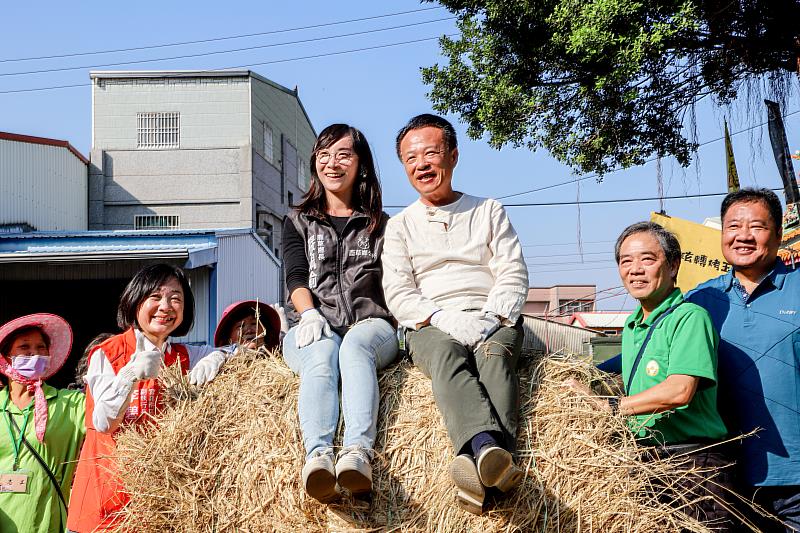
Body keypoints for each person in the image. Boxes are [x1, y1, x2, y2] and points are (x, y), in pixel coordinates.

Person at [381, 114, 529, 515]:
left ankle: (480, 468)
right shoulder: (399, 226)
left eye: (431, 153)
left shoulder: (488, 210)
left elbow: (512, 270)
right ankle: (488, 452)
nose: (422, 165)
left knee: (495, 358)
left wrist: (491, 316)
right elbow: (398, 291)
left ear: (454, 155)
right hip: (432, 321)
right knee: (446, 355)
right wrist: (443, 318)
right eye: (411, 158)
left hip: (492, 315)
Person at [564, 221, 734, 525]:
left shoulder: (690, 318)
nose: (635, 269)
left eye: (647, 259)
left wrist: (612, 407)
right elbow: (626, 364)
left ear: (672, 266)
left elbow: (679, 390)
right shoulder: (631, 326)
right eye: (626, 261)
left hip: (693, 466)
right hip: (646, 463)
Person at [67, 263, 231, 532]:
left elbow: (240, 352)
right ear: (135, 302)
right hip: (102, 506)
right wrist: (130, 374)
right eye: (155, 297)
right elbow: (105, 421)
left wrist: (217, 357)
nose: (166, 306)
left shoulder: (186, 356)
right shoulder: (106, 353)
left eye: (175, 299)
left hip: (155, 509)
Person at [282, 124, 398, 503]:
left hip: (372, 325)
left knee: (353, 348)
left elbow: (395, 283)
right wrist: (310, 314)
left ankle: (357, 454)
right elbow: (296, 277)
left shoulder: (381, 225)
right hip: (314, 322)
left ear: (360, 164)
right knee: (322, 352)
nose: (333, 163)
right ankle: (317, 456)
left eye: (344, 154)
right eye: (324, 155)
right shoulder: (298, 220)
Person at [686, 188, 800, 532]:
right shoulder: (701, 299)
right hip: (726, 476)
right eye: (733, 226)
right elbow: (653, 354)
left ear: (779, 235)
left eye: (757, 227)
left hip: (795, 478)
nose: (743, 236)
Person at [0, 313, 86, 533]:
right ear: (6, 357)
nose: (34, 354)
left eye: (41, 348)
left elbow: (109, 416)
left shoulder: (71, 404)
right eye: (24, 347)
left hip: (47, 524)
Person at [213, 300, 283, 351]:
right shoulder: (219, 361)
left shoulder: (277, 360)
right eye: (240, 326)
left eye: (254, 323)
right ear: (228, 339)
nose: (249, 330)